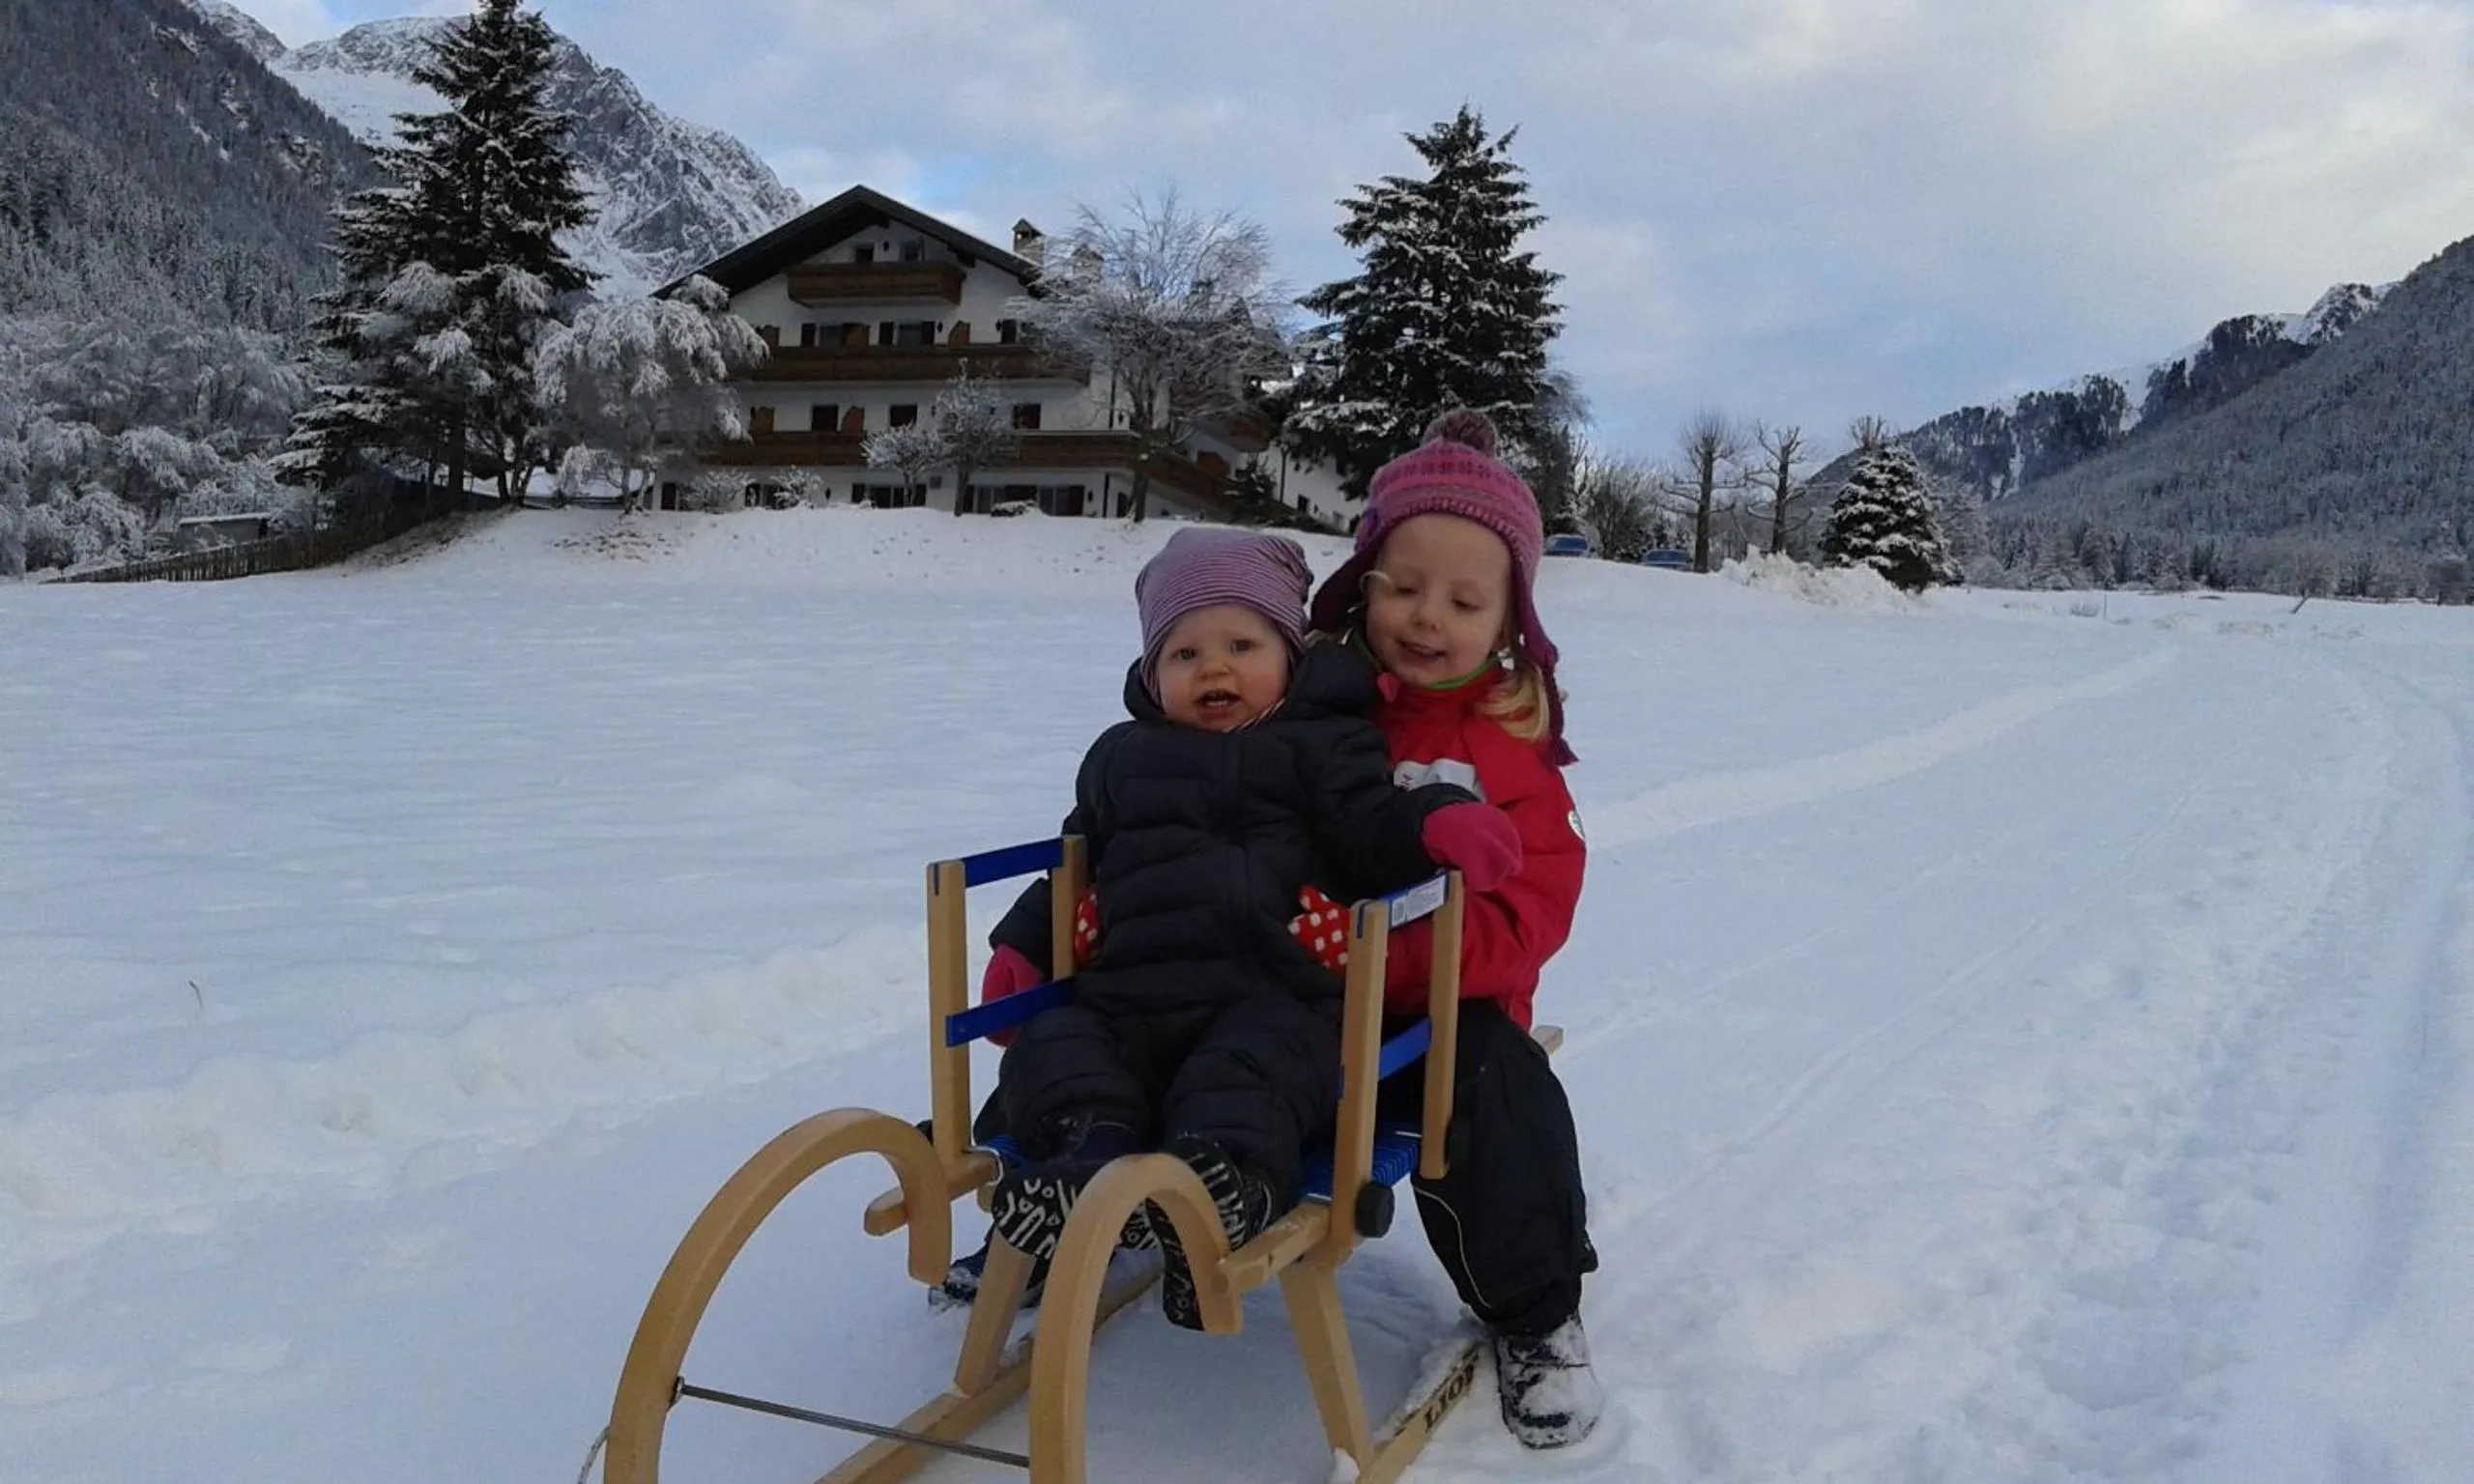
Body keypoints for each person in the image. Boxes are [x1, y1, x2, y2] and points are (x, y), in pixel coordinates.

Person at [969, 526, 1524, 1329]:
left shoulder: (1324, 748)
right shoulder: (1122, 759)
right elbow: (1078, 856)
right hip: (1127, 996)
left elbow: (1373, 826)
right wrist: (1021, 944)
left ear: (1290, 654)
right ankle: (1085, 1161)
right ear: (1152, 674)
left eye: (1241, 643)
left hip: (1271, 994)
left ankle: (1227, 1191)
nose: (1215, 668)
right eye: (1184, 654)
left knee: (1257, 1074)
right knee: (1059, 1044)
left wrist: (1437, 821)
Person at [1303, 408, 1603, 1448]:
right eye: (1404, 586)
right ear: (1361, 586)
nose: (1428, 616)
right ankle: (1075, 1202)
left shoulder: (1503, 745)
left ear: (1509, 620)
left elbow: (1531, 908)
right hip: (1292, 996)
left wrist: (1388, 961)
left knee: (1495, 1097)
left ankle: (1536, 1308)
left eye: (1465, 600)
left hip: (1436, 1018)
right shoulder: (1310, 711)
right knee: (1150, 1015)